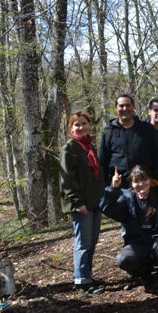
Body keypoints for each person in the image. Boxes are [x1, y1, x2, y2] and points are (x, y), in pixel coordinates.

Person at [101, 165, 158, 292]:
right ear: (131, 183)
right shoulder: (126, 199)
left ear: (150, 181)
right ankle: (146, 277)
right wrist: (113, 189)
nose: (141, 184)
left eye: (144, 180)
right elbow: (107, 209)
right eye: (136, 181)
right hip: (137, 244)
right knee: (123, 258)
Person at [59, 111, 105, 292]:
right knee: (83, 242)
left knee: (92, 241)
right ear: (71, 128)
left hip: (94, 202)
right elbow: (67, 180)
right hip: (81, 205)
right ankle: (81, 280)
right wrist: (77, 202)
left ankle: (87, 275)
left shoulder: (89, 146)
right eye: (77, 124)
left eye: (84, 123)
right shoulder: (70, 148)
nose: (81, 127)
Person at [99, 94, 158, 188]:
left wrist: (155, 179)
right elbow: (102, 161)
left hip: (144, 185)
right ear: (116, 108)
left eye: (128, 105)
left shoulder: (147, 129)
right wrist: (107, 184)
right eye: (121, 106)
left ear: (133, 107)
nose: (125, 108)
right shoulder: (109, 131)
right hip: (119, 186)